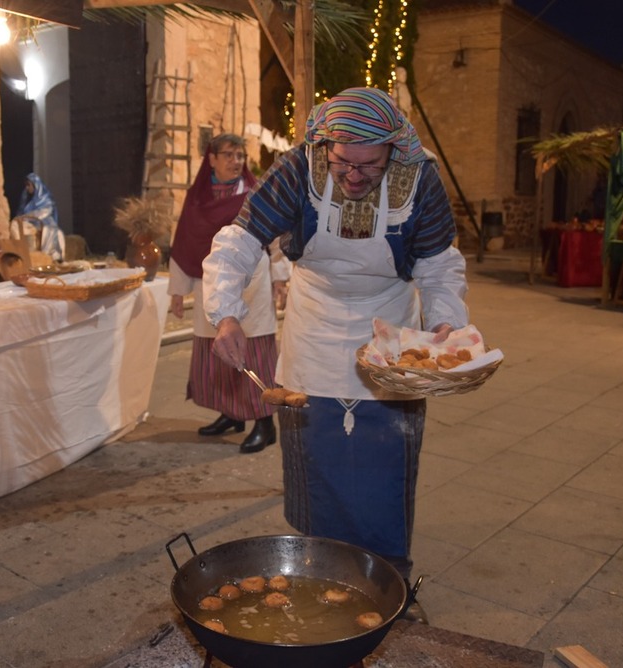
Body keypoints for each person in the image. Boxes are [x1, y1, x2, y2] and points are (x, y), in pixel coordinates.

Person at [202, 87, 469, 622]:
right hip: (314, 324)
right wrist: (225, 313)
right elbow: (241, 238)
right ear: (325, 146)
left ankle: (389, 584)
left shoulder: (421, 179)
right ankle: (318, 576)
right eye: (342, 161)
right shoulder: (299, 169)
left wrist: (445, 325)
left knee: (383, 461)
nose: (352, 175)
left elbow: (438, 262)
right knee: (317, 461)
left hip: (388, 327)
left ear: (393, 151)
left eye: (368, 164)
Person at [168, 133, 289, 454]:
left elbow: (276, 238)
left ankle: (265, 423)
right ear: (212, 159)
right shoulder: (198, 197)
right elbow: (185, 241)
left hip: (252, 284)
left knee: (256, 353)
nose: (236, 161)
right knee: (218, 355)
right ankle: (231, 413)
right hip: (211, 285)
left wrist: (280, 277)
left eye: (240, 155)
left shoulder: (255, 192)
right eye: (229, 155)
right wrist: (177, 291)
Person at [13, 173, 65, 262]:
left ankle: (49, 256)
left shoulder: (45, 198)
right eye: (26, 185)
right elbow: (20, 212)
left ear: (36, 185)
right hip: (29, 222)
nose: (27, 188)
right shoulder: (25, 197)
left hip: (44, 220)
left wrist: (28, 217)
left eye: (29, 185)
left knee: (51, 230)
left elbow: (43, 212)